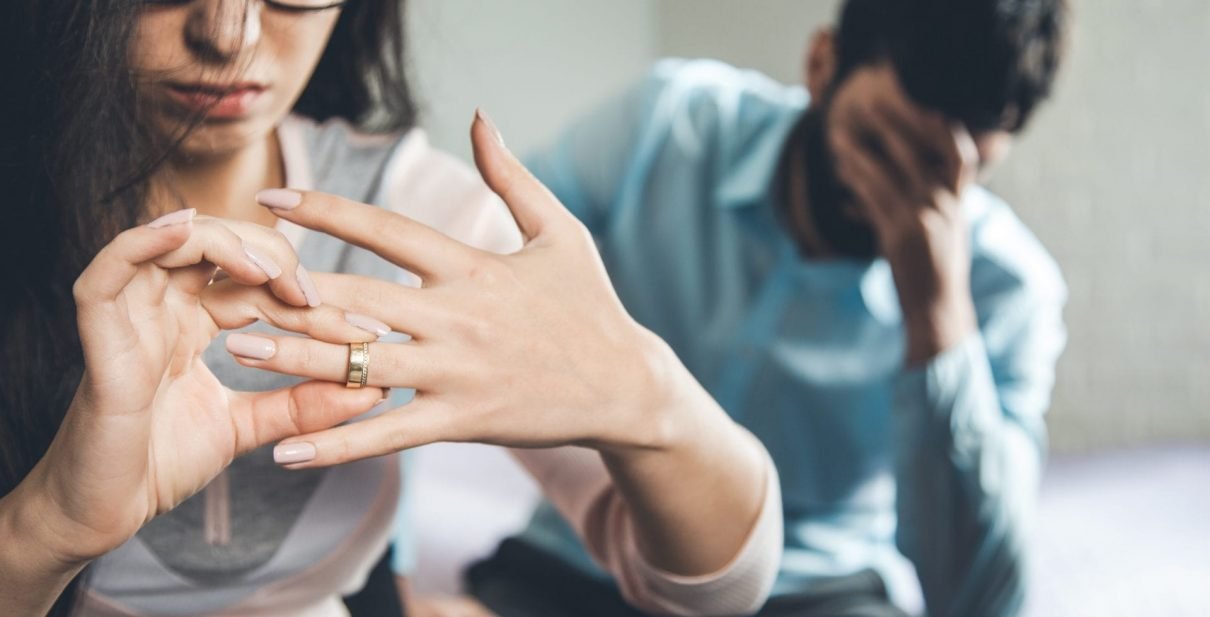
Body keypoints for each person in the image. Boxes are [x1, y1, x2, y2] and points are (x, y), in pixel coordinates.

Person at [0, 1, 781, 616]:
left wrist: (648, 394)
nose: (229, 33)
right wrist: (49, 529)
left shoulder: (425, 210)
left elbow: (711, 587)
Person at [466, 0, 1071, 616]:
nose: (902, 195)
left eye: (947, 173)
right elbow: (487, 263)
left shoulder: (1008, 291)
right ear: (822, 65)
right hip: (589, 556)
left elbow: (980, 602)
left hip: (813, 591)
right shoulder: (667, 125)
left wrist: (936, 315)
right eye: (879, 145)